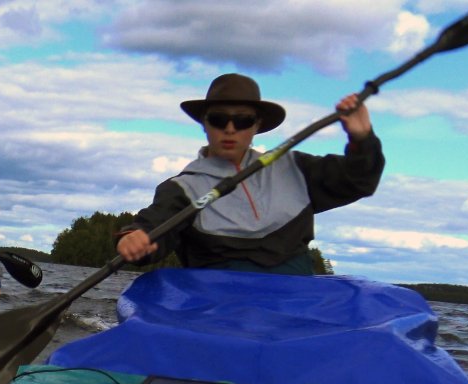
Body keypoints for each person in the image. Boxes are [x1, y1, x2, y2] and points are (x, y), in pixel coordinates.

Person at [115, 73, 385, 275]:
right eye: (219, 119)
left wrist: (362, 139)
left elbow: (359, 179)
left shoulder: (296, 169)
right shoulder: (183, 189)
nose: (230, 129)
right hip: (218, 308)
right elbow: (153, 228)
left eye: (242, 120)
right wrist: (134, 238)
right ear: (204, 125)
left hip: (294, 301)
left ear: (257, 126)